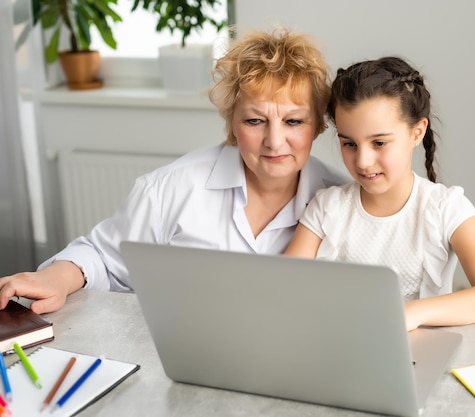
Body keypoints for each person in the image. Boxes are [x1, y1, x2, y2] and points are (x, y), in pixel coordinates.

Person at [0, 27, 348, 314]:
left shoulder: (342, 200)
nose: (274, 141)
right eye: (255, 120)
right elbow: (103, 258)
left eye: (293, 121)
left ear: (318, 124)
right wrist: (54, 280)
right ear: (231, 121)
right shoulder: (170, 188)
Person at [284, 56, 475, 330]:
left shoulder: (446, 208)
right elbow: (284, 289)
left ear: (417, 132)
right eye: (349, 144)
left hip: (418, 357)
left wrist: (411, 313)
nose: (363, 161)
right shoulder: (327, 208)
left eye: (379, 142)